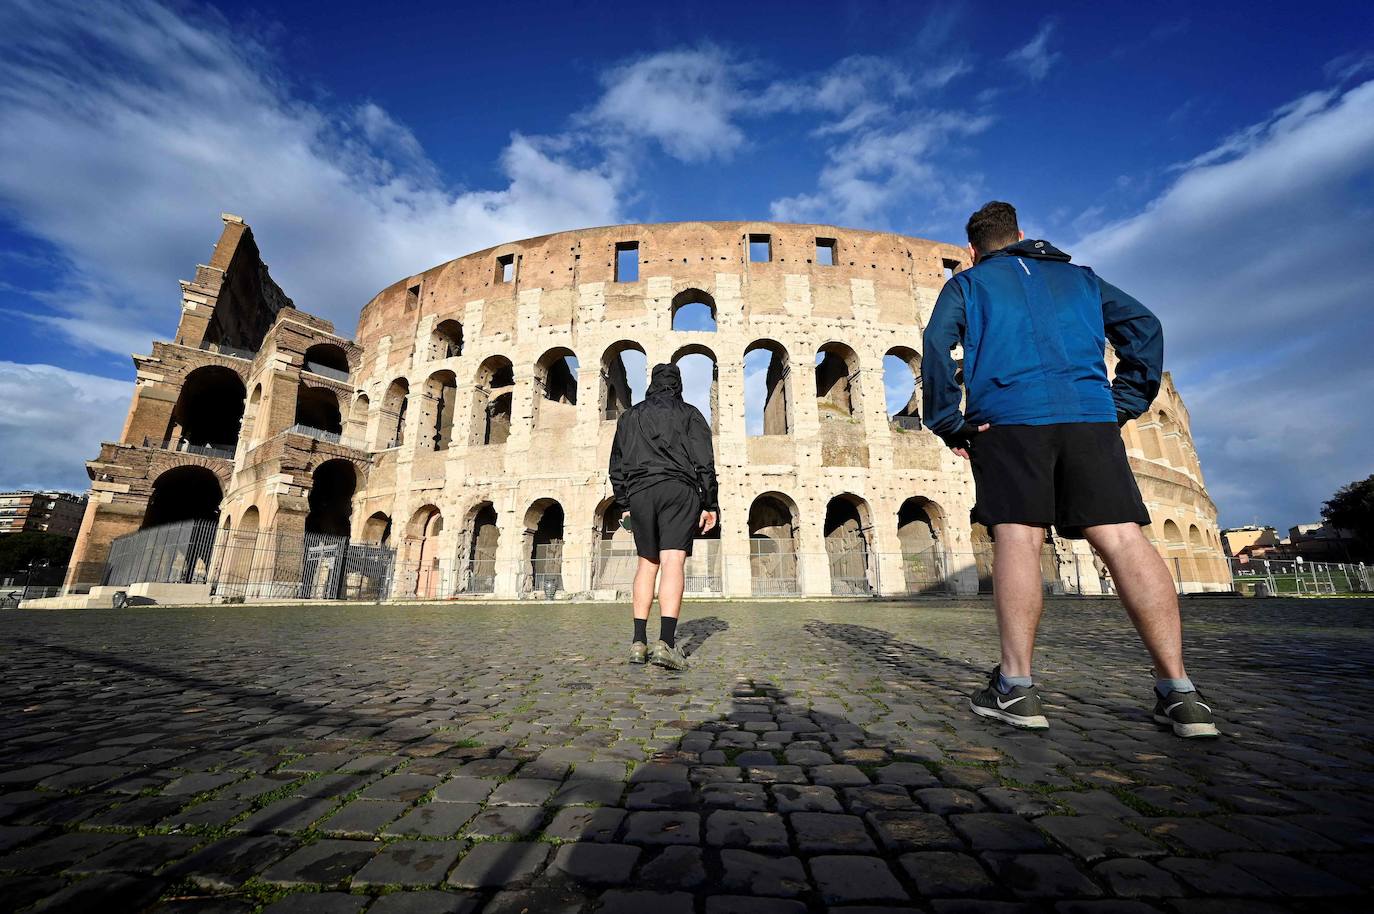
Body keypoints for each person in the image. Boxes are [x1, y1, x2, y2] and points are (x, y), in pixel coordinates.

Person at [923, 201, 1218, 739]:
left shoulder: (967, 286)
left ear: (972, 250)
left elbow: (937, 350)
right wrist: (1123, 401)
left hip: (1010, 420)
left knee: (1017, 539)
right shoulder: (1081, 280)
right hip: (1088, 417)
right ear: (1023, 234)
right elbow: (1145, 327)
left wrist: (950, 422)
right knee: (1125, 540)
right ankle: (1180, 692)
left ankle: (1016, 688)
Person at [608, 363, 719, 670]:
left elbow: (616, 466)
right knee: (672, 561)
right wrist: (710, 503)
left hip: (641, 492)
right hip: (678, 489)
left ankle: (638, 642)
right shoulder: (690, 414)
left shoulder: (630, 417)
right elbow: (705, 462)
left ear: (652, 384)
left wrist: (625, 503)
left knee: (646, 563)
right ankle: (667, 644)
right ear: (677, 384)